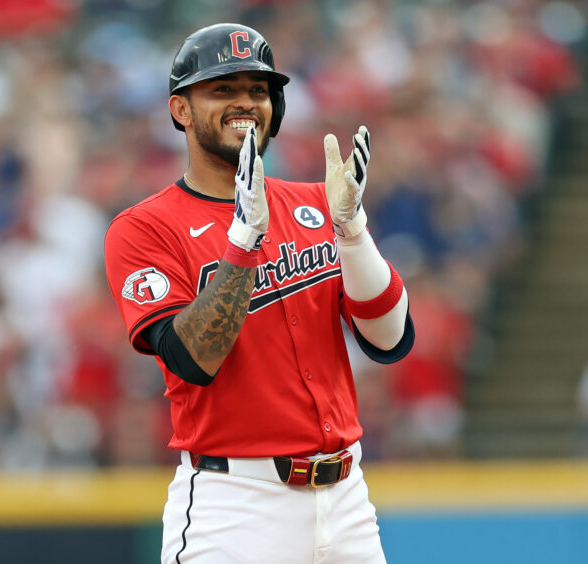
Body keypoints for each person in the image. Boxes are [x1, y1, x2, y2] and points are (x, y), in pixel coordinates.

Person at [103, 23, 415, 563]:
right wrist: (243, 241)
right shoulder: (144, 228)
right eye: (222, 89)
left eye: (258, 89)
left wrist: (353, 231)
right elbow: (192, 358)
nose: (245, 102)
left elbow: (391, 340)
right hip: (237, 504)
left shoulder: (316, 202)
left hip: (346, 498)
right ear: (180, 110)